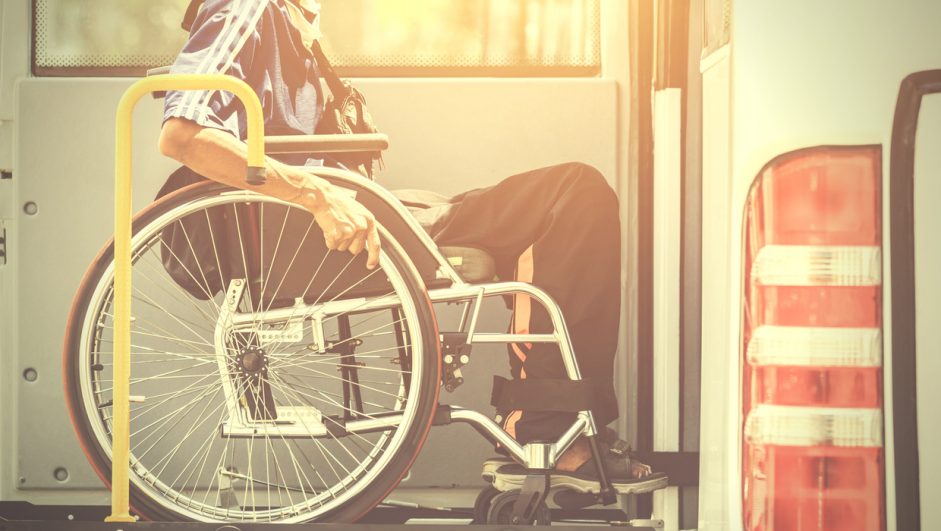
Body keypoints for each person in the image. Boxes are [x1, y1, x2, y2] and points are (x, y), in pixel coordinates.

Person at [158, 0, 655, 483]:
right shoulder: (245, 8)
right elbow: (183, 136)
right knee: (574, 192)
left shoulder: (292, 19)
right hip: (312, 228)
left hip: (337, 215)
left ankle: (546, 423)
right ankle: (547, 430)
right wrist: (316, 195)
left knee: (556, 209)